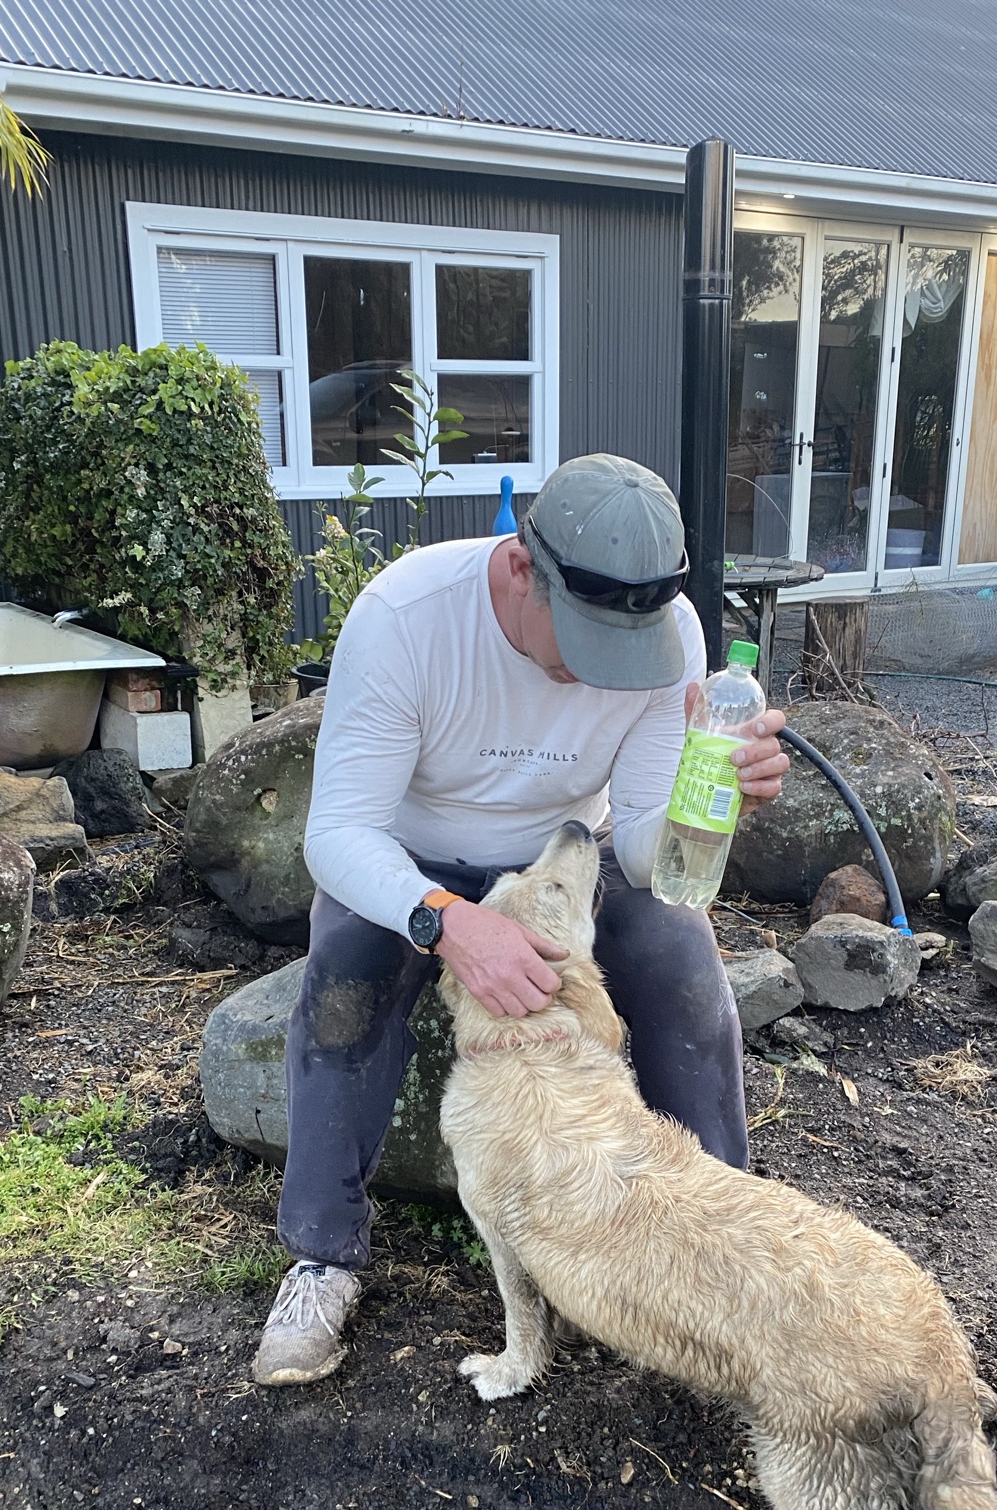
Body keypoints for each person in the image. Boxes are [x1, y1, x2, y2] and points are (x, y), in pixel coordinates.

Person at [253, 453, 789, 1387]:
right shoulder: (406, 618)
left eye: (623, 649)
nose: (599, 675)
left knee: (676, 959)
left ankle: (724, 1239)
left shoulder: (668, 637)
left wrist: (717, 803)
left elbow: (640, 856)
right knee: (343, 981)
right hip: (409, 861)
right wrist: (448, 922)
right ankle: (323, 1258)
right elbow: (338, 833)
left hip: (568, 861)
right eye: (581, 640)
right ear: (518, 569)